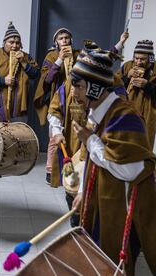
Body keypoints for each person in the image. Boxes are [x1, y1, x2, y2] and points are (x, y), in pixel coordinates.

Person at [70, 49, 156, 276]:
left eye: (78, 86)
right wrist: (83, 191)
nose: (73, 93)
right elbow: (95, 161)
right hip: (102, 199)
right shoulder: (99, 112)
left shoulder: (125, 115)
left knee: (117, 262)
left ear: (95, 87)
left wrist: (90, 140)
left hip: (122, 209)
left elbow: (130, 170)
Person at [35, 28, 129, 186]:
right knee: (60, 142)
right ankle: (57, 174)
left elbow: (106, 56)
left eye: (67, 38)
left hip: (89, 116)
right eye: (61, 38)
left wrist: (120, 43)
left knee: (86, 150)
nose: (65, 41)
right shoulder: (52, 57)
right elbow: (47, 80)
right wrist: (59, 61)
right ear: (56, 42)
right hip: (66, 102)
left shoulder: (86, 59)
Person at [117, 40, 156, 148]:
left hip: (148, 115)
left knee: (143, 145)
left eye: (142, 59)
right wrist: (126, 78)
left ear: (150, 58)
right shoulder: (127, 66)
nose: (138, 62)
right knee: (123, 144)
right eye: (136, 58)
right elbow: (113, 87)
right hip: (125, 112)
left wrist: (147, 86)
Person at [0, 21, 39, 122]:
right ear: (4, 43)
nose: (14, 46)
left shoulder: (26, 57)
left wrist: (23, 63)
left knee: (18, 136)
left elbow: (36, 75)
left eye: (17, 43)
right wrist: (3, 80)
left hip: (19, 108)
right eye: (11, 42)